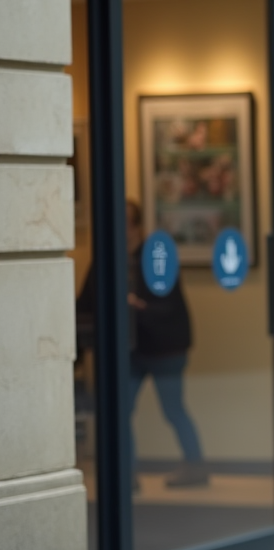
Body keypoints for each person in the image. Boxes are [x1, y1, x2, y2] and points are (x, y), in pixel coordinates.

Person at [77, 200, 208, 488]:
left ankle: (196, 468)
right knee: (120, 413)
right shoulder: (105, 260)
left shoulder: (156, 255)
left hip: (164, 350)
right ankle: (126, 476)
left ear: (136, 225)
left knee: (173, 410)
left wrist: (139, 307)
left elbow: (170, 308)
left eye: (124, 222)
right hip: (127, 351)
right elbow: (85, 303)